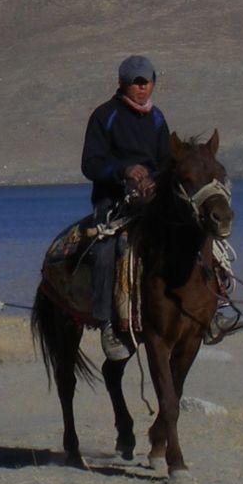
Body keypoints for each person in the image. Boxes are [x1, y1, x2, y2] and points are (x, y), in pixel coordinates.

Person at [79, 54, 168, 361]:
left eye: (147, 82)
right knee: (105, 250)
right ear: (122, 83)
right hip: (113, 199)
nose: (142, 88)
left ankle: (214, 308)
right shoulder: (105, 116)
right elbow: (90, 164)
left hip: (152, 199)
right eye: (136, 82)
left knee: (195, 234)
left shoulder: (157, 119)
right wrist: (124, 171)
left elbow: (165, 162)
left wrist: (153, 180)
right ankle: (107, 324)